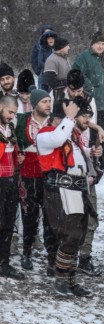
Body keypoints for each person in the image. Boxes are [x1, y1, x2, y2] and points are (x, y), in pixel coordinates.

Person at [36, 98, 102, 296]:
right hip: (59, 190)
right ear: (61, 117)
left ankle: (71, 280)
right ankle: (61, 278)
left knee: (79, 236)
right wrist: (69, 118)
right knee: (70, 234)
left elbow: (74, 154)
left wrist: (90, 152)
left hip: (77, 189)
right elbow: (58, 139)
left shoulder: (69, 134)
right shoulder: (45, 135)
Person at [14, 88, 52, 271]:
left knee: (50, 216)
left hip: (49, 175)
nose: (48, 105)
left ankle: (52, 257)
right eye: (44, 101)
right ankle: (26, 252)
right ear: (35, 104)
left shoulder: (54, 122)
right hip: (27, 175)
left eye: (49, 101)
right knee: (29, 215)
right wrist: (17, 154)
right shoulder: (22, 120)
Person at [73, 31, 104, 173]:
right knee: (93, 133)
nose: (100, 46)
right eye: (98, 43)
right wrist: (89, 87)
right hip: (92, 102)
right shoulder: (84, 58)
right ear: (92, 44)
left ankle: (103, 159)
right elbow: (76, 73)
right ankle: (92, 160)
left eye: (103, 44)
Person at [0, 95, 24, 280]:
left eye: (14, 113)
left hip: (10, 179)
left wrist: (19, 158)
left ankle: (4, 263)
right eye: (9, 112)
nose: (11, 116)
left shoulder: (11, 129)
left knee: (9, 224)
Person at [30, 25, 57, 90]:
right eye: (46, 33)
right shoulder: (38, 46)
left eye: (50, 32)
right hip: (43, 74)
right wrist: (39, 72)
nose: (48, 34)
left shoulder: (57, 46)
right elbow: (34, 60)